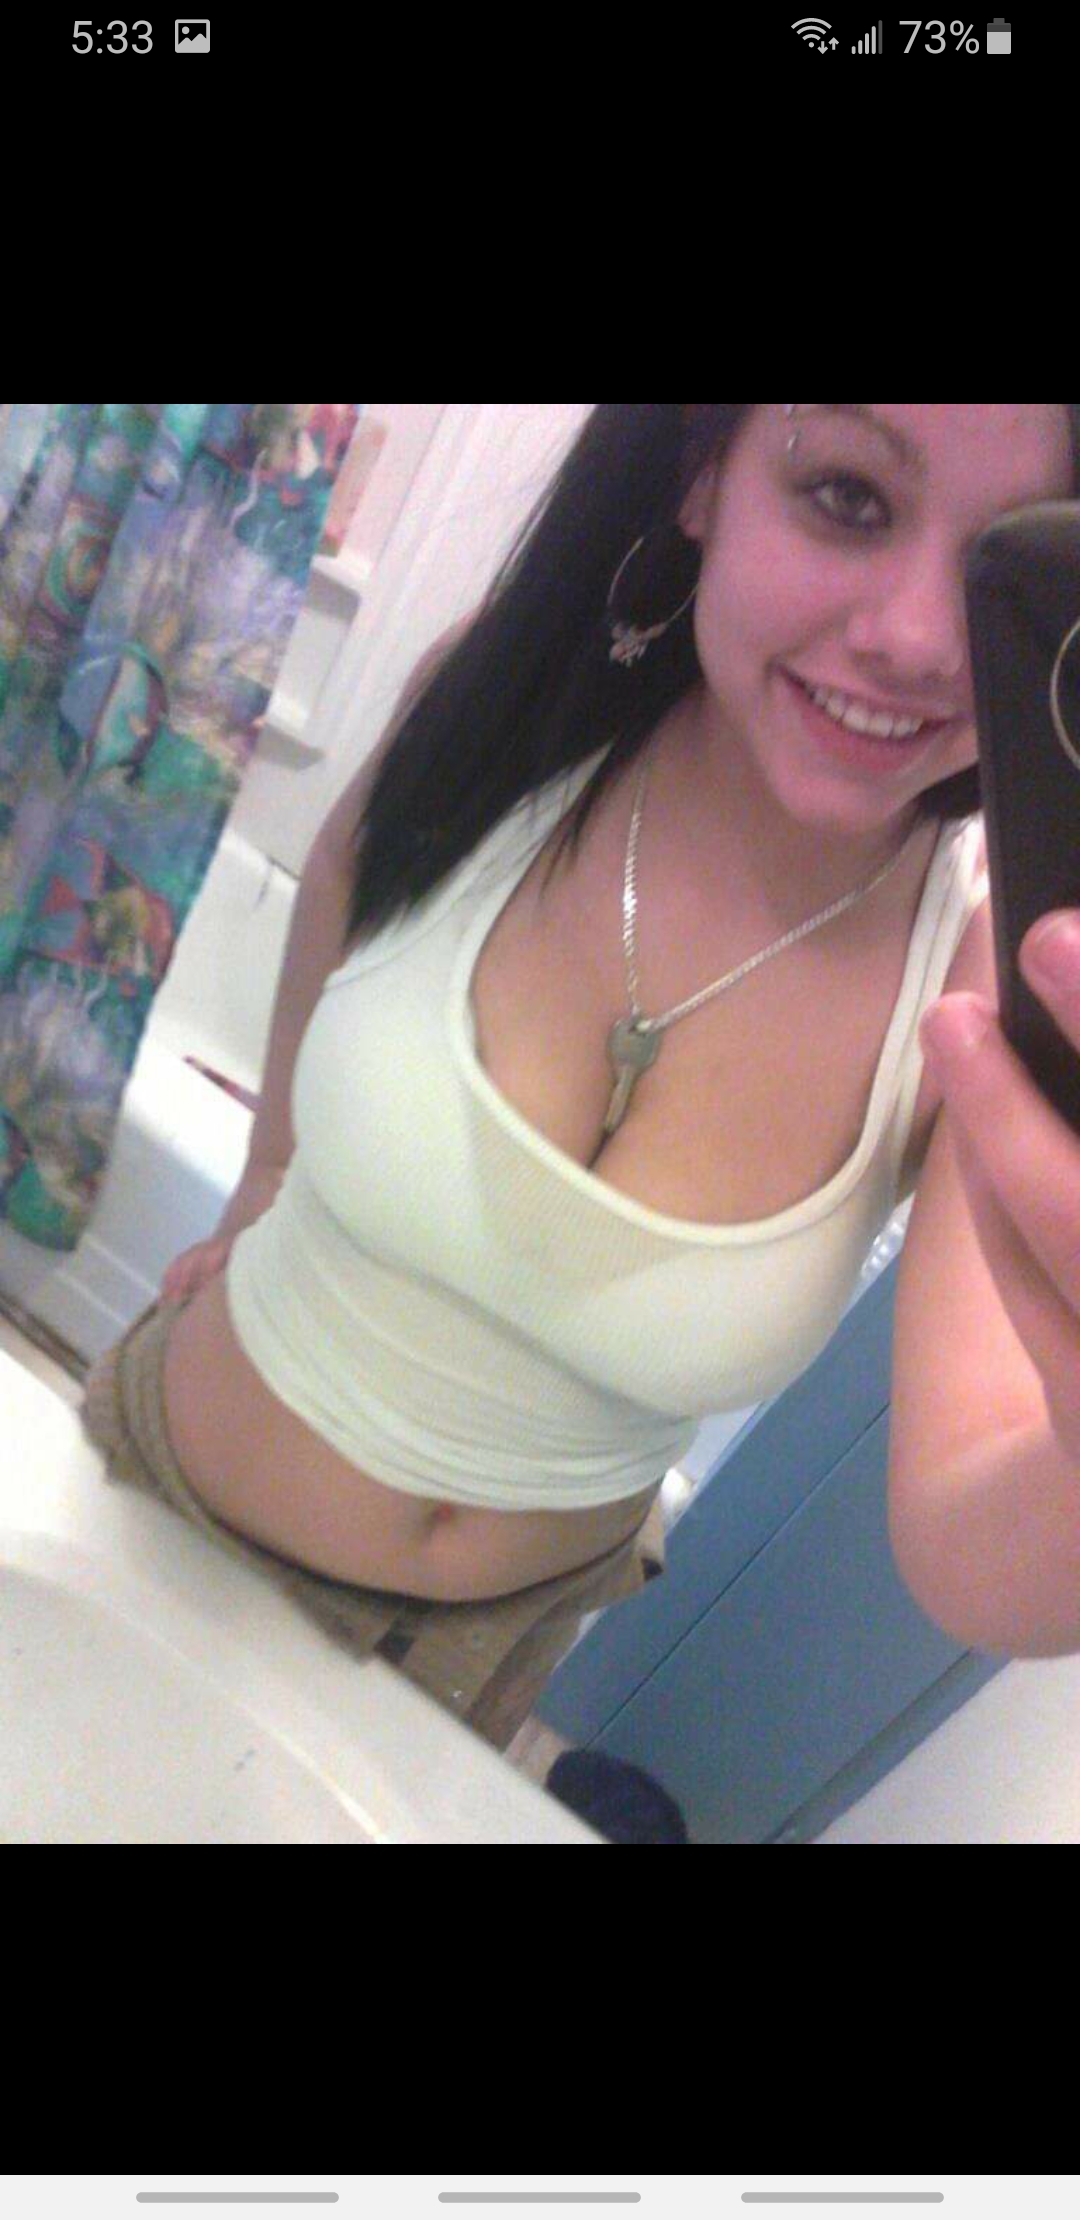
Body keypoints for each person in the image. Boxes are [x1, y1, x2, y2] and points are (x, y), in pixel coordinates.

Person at [80, 405, 1078, 1775]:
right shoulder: (509, 706)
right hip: (155, 1499)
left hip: (465, 1669)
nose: (920, 638)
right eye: (850, 497)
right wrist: (262, 1179)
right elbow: (338, 889)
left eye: (1011, 567)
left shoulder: (985, 982)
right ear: (701, 472)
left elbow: (974, 1554)